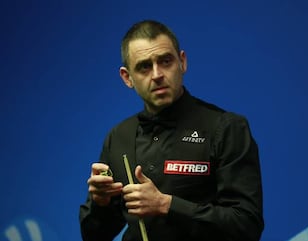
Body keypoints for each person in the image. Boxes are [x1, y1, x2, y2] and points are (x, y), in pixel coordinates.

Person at [79, 20, 264, 241]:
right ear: (127, 78)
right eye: (144, 66)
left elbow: (246, 225)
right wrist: (101, 203)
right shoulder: (118, 137)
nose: (157, 74)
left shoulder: (225, 128)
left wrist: (166, 205)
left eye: (165, 61)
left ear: (182, 62)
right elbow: (93, 235)